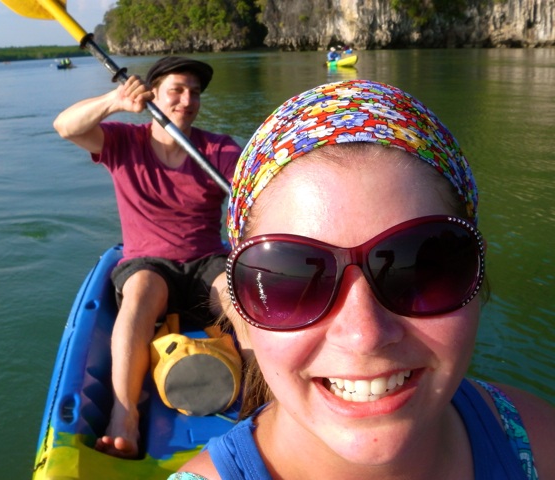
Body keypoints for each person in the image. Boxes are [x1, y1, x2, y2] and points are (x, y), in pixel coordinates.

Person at [170, 80, 555, 479]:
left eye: (418, 269)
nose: (365, 335)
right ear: (241, 315)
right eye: (293, 282)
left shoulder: (540, 444)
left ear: (476, 277)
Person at [53, 56, 242, 458]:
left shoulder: (217, 148)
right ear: (153, 93)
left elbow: (249, 179)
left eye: (194, 92)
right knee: (141, 289)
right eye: (176, 90)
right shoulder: (124, 142)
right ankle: (125, 416)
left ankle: (266, 397)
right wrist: (114, 101)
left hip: (206, 260)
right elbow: (65, 126)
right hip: (148, 263)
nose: (187, 100)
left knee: (234, 293)